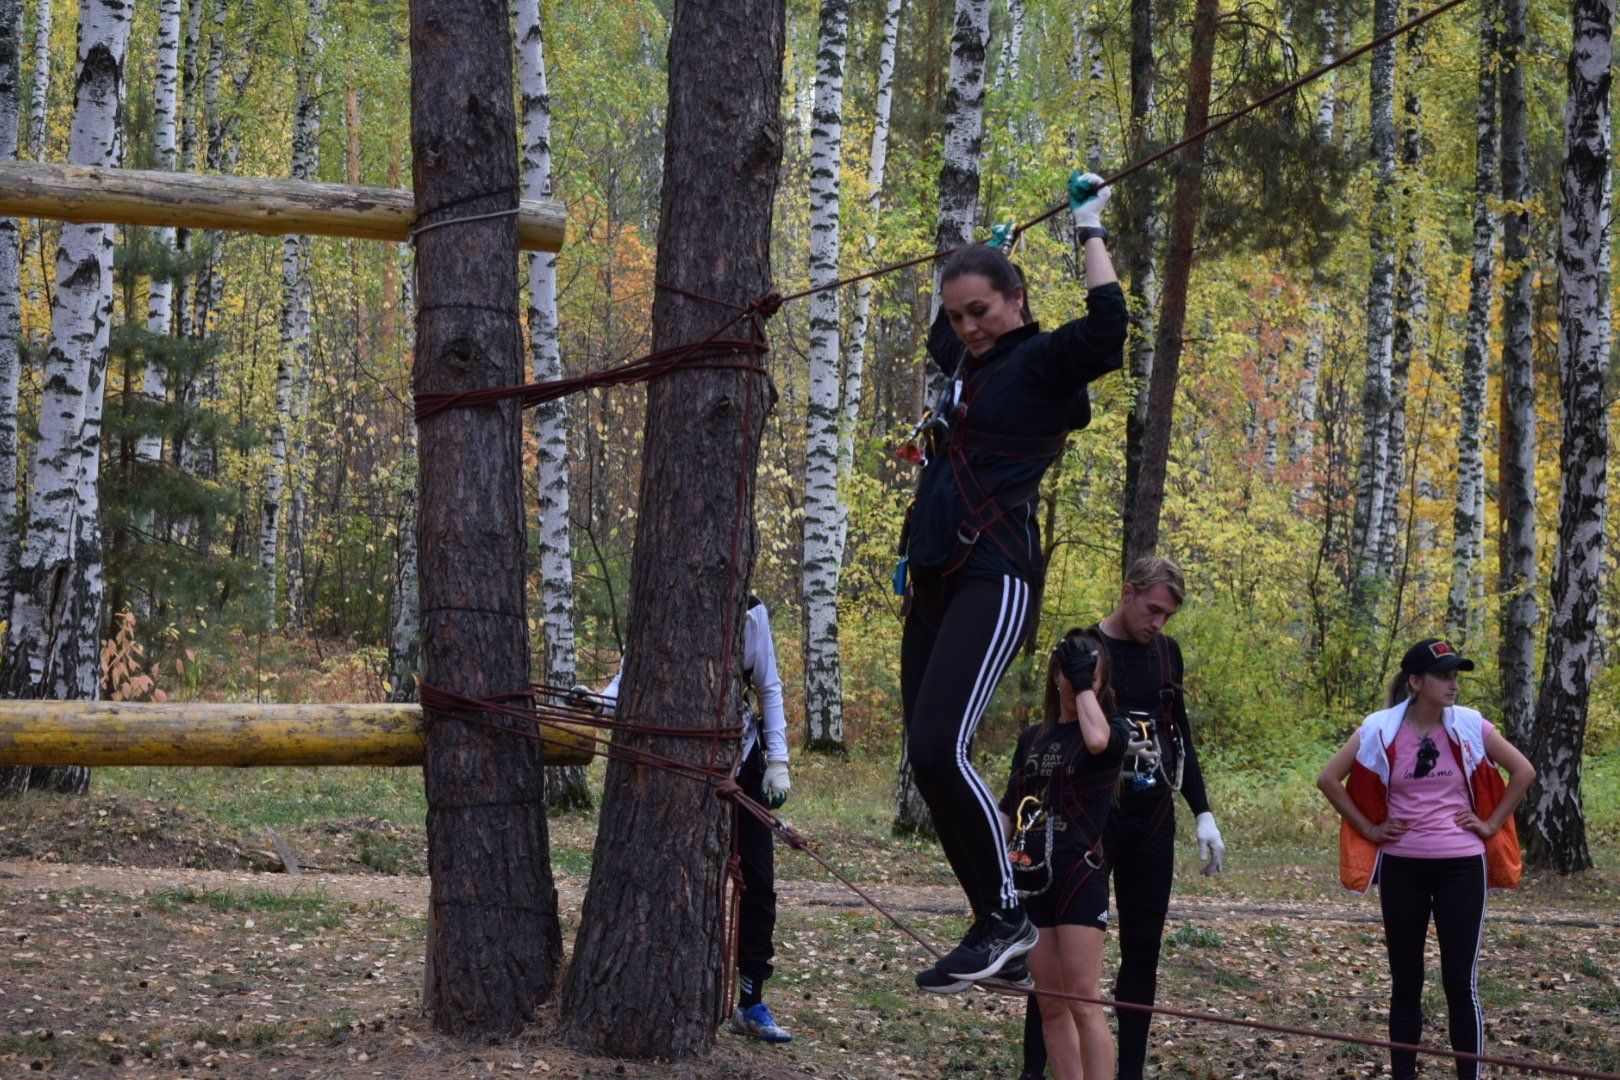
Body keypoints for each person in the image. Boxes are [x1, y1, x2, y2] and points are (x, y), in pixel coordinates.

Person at [900, 170, 1127, 992]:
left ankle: (1006, 918)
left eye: (982, 310)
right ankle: (996, 930)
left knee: (940, 745)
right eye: (959, 315)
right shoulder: (964, 358)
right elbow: (938, 339)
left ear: (1017, 301)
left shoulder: (1039, 360)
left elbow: (1108, 334)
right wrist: (982, 255)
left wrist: (1089, 228)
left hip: (992, 577)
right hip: (932, 578)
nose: (968, 327)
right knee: (926, 759)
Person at [1020, 555, 1226, 1080]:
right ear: (1128, 592)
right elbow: (1055, 728)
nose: (1157, 622)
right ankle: (1035, 1068)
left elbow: (1179, 734)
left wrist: (1202, 811)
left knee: (1143, 947)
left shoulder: (1165, 654)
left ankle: (1127, 1070)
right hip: (1089, 817)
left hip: (1150, 815)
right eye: (1152, 609)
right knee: (1056, 956)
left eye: (1167, 616)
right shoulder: (1085, 648)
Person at [1317, 638, 1533, 1080]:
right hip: (1402, 867)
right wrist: (1371, 830)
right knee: (1406, 984)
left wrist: (1490, 825)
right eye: (1443, 676)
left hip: (1461, 866)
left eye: (1456, 676)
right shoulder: (1379, 728)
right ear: (1415, 682)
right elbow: (1328, 779)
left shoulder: (1471, 725)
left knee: (1459, 982)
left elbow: (1524, 771)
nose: (1453, 684)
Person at [589, 595, 794, 1043]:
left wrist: (778, 759)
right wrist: (597, 704)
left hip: (743, 763)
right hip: (676, 768)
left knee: (758, 884)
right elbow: (629, 679)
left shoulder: (750, 611)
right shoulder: (660, 598)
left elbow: (769, 686)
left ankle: (751, 999)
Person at [996, 630, 1135, 1079]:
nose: (1079, 683)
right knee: (1050, 1003)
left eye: (1090, 676)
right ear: (1055, 677)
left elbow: (1096, 741)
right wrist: (990, 870)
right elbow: (1009, 808)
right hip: (1032, 878)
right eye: (1071, 673)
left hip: (1080, 875)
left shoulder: (1115, 728)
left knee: (1083, 998)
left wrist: (1084, 685)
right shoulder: (1033, 737)